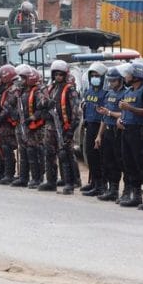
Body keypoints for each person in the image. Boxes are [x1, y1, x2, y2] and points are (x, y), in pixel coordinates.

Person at [118, 63, 143, 208]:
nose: (126, 77)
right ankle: (136, 195)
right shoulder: (128, 92)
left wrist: (130, 108)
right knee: (129, 164)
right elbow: (124, 111)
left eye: (128, 74)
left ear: (136, 76)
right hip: (126, 131)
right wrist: (120, 119)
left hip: (140, 132)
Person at [42, 60, 81, 194]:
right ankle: (51, 182)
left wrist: (71, 130)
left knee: (65, 155)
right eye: (56, 74)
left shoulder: (70, 90)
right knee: (48, 153)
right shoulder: (51, 88)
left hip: (64, 127)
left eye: (60, 74)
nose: (58, 77)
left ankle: (69, 183)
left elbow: (76, 111)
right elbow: (42, 104)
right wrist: (45, 105)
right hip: (50, 126)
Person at [95, 66, 127, 202]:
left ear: (120, 80)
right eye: (110, 81)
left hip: (118, 131)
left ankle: (125, 190)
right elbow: (104, 117)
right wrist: (98, 135)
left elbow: (125, 113)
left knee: (120, 162)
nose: (111, 83)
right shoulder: (109, 94)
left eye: (114, 81)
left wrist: (109, 113)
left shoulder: (126, 94)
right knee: (108, 161)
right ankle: (112, 189)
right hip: (107, 130)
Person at [80, 62, 108, 197]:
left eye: (97, 76)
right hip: (89, 125)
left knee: (99, 157)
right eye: (93, 75)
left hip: (100, 126)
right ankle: (93, 182)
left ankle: (101, 185)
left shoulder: (106, 93)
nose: (95, 78)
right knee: (90, 155)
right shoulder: (88, 91)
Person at [0, 65, 19, 185]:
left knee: (7, 148)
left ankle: (9, 174)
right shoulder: (0, 91)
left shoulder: (12, 90)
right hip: (0, 124)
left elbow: (7, 109)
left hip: (8, 124)